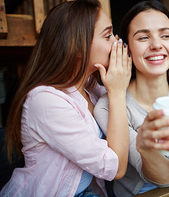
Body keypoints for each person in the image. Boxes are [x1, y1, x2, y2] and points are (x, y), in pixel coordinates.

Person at [0, 0, 132, 196]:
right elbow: (116, 167)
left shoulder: (91, 87)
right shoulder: (45, 100)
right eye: (108, 35)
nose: (117, 42)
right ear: (77, 46)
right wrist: (118, 92)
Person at [94, 1, 169, 196]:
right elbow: (164, 180)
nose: (156, 45)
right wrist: (145, 149)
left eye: (165, 36)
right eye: (143, 37)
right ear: (125, 48)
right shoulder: (107, 106)